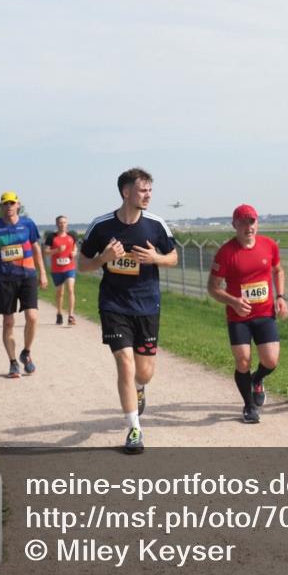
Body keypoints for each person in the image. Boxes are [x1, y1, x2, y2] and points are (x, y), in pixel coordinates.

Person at [78, 168, 177, 454]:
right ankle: (134, 428)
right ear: (126, 192)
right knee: (124, 360)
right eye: (142, 190)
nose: (148, 195)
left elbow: (173, 257)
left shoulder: (156, 225)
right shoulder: (101, 226)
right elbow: (82, 265)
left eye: (150, 190)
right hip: (114, 303)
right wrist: (104, 258)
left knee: (144, 373)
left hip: (147, 304)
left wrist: (155, 258)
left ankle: (140, 388)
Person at [207, 204, 288, 424]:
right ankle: (249, 406)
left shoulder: (269, 245)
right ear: (234, 225)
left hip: (265, 314)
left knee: (270, 361)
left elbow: (278, 270)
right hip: (238, 317)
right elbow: (213, 287)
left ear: (257, 223)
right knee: (243, 360)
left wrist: (280, 296)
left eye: (251, 222)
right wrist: (233, 301)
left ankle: (257, 379)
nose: (248, 227)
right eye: (242, 222)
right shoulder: (226, 252)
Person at [0, 191, 48, 379]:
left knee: (33, 317)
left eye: (12, 203)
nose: (9, 206)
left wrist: (42, 272)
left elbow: (36, 248)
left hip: (28, 276)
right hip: (5, 279)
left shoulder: (28, 224)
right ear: (1, 206)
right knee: (8, 322)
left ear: (18, 204)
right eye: (5, 204)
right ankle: (12, 363)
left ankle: (26, 352)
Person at [44, 215, 78, 326]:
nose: (62, 224)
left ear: (67, 224)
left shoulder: (71, 236)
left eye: (64, 222)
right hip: (57, 269)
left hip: (69, 267)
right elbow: (46, 252)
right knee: (60, 293)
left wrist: (74, 253)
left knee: (70, 289)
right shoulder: (51, 237)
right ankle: (59, 313)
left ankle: (71, 316)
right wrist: (57, 250)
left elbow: (75, 247)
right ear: (56, 224)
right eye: (60, 222)